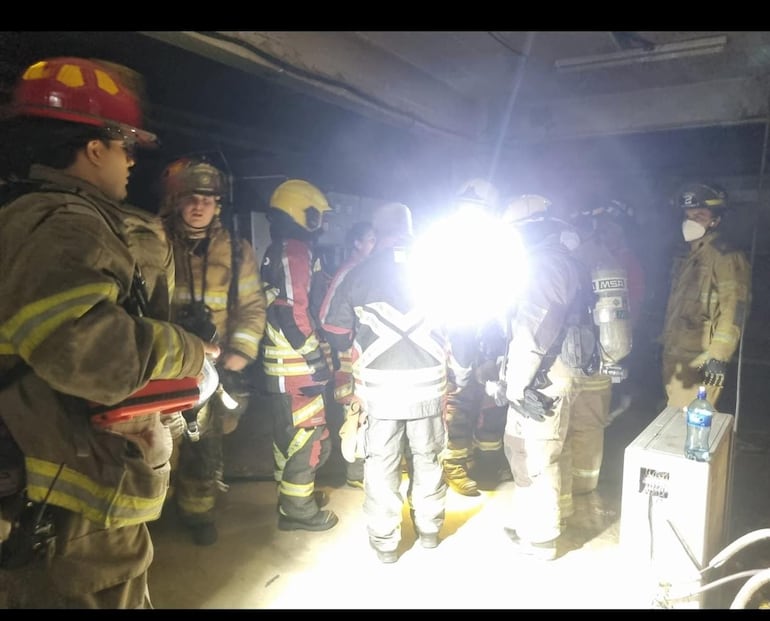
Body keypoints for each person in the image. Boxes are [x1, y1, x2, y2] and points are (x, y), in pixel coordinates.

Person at [0, 57, 217, 608]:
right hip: (67, 497)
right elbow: (91, 353)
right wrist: (187, 350)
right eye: (126, 147)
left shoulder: (23, 212)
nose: (131, 161)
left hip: (38, 476)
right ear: (94, 148)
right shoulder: (69, 223)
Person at [322, 202, 452, 564]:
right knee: (428, 459)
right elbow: (466, 329)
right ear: (412, 232)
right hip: (429, 392)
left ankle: (386, 544)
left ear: (375, 234)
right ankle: (429, 531)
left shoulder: (356, 273)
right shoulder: (440, 271)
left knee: (381, 466)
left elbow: (332, 330)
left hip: (380, 396)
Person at [159, 156, 267, 546]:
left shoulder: (237, 252)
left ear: (218, 204)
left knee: (203, 447)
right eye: (192, 197)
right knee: (155, 444)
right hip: (161, 363)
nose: (200, 205)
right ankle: (150, 511)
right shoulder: (155, 243)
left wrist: (239, 350)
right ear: (177, 201)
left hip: (212, 369)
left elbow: (253, 307)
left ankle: (197, 511)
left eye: (208, 198)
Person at [498, 194, 597, 561]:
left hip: (541, 375)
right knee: (556, 448)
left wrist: (515, 385)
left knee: (529, 453)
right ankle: (557, 518)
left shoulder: (544, 265)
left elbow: (532, 329)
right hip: (561, 371)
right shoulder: (566, 261)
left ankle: (539, 538)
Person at [260, 178, 338, 532]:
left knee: (290, 436)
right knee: (304, 435)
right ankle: (299, 510)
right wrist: (316, 360)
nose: (321, 223)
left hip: (285, 368)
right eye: (317, 215)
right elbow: (293, 311)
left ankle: (293, 500)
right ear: (301, 213)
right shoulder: (293, 250)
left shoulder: (282, 248)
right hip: (296, 370)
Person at [565, 200, 635, 499]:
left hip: (579, 361)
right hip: (599, 361)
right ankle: (582, 489)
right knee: (589, 428)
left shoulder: (578, 260)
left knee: (572, 429)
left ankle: (573, 491)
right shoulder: (605, 260)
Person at [661, 182, 751, 409]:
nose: (691, 220)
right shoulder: (685, 256)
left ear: (715, 220)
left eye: (699, 214)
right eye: (688, 214)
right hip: (675, 355)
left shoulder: (725, 257)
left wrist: (718, 357)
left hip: (700, 360)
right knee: (673, 421)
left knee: (689, 426)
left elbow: (735, 309)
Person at [318, 221, 376, 489]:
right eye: (370, 239)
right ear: (357, 243)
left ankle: (364, 468)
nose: (376, 245)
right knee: (354, 412)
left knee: (366, 412)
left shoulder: (370, 271)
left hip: (364, 358)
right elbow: (329, 320)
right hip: (350, 360)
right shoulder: (352, 272)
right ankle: (355, 472)